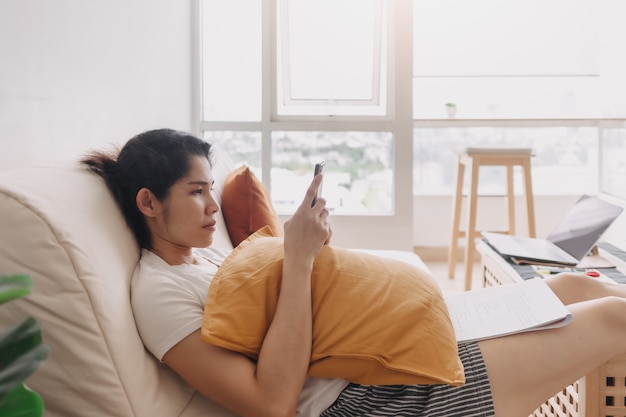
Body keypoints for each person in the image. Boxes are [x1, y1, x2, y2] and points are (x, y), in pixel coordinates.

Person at [82, 128, 626, 417]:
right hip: (369, 401)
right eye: (195, 193)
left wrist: (316, 259)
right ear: (148, 202)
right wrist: (297, 262)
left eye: (210, 190)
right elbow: (271, 405)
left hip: (392, 348)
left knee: (582, 284)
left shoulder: (202, 256)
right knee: (613, 320)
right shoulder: (157, 293)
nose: (212, 207)